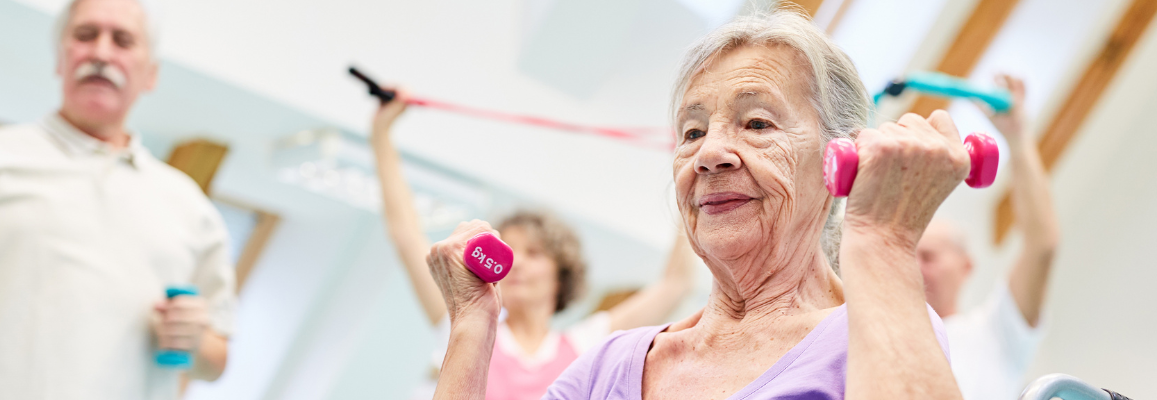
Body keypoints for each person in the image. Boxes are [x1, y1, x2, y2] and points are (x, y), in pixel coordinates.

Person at [426, 10, 972, 399]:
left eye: (757, 122)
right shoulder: (607, 367)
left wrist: (882, 242)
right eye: (692, 131)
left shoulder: (871, 334)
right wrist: (471, 326)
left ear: (841, 160)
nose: (709, 153)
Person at [0, 0, 234, 398]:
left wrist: (195, 340)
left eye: (123, 40)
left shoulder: (191, 208)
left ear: (151, 74)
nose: (102, 53)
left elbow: (217, 359)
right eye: (86, 35)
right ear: (61, 58)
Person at [370, 89, 698, 400]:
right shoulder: (465, 324)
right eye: (510, 251)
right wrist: (381, 133)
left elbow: (674, 284)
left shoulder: (584, 345)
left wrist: (687, 169)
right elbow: (405, 234)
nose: (517, 263)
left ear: (561, 275)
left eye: (534, 253)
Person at [917, 75, 1060, 400]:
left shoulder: (995, 335)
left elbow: (1042, 245)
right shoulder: (883, 341)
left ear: (966, 266)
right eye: (910, 254)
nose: (915, 267)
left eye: (929, 257)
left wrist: (1017, 137)